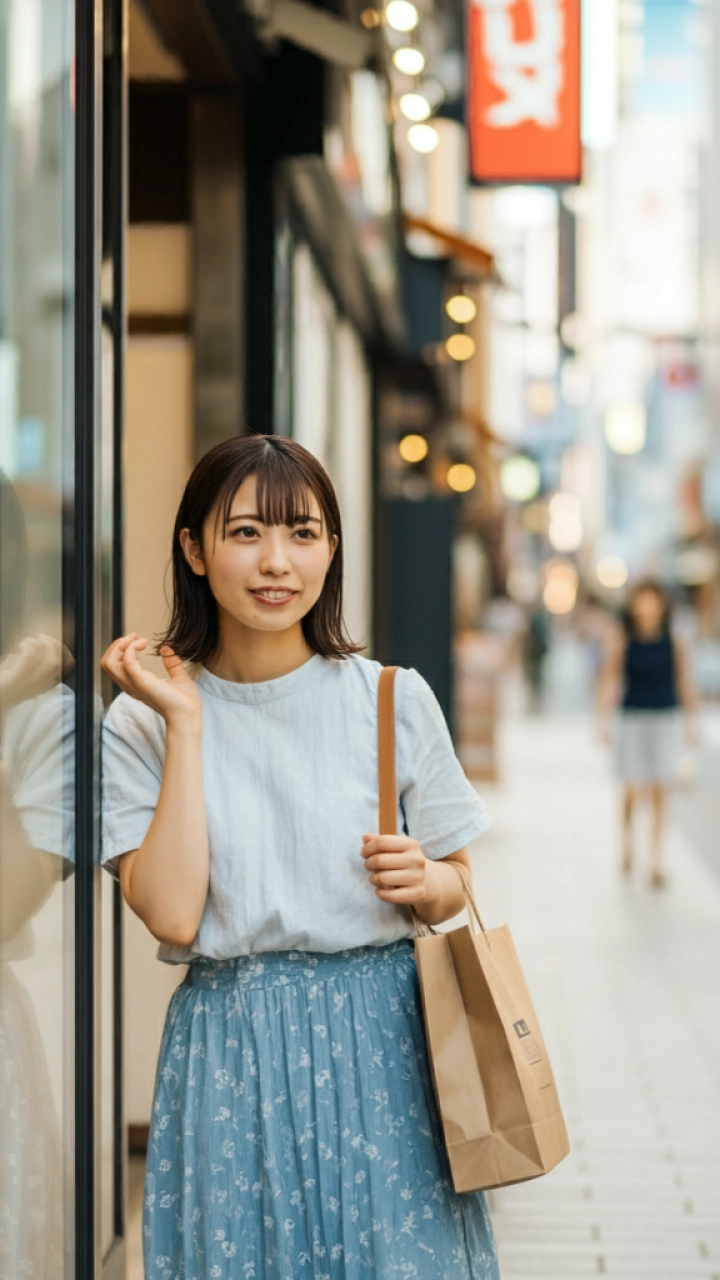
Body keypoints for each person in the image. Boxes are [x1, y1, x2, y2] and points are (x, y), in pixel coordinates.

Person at [100, 435, 499, 1279]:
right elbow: (171, 913)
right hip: (229, 1051)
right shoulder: (143, 721)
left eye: (303, 534)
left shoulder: (390, 698)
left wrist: (426, 881)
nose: (276, 562)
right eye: (246, 533)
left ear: (333, 548)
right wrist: (186, 724)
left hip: (385, 1046)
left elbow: (458, 882)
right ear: (194, 551)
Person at [598, 578, 699, 887]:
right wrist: (602, 719)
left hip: (664, 718)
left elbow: (683, 679)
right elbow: (610, 677)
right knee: (629, 789)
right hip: (633, 718)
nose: (647, 606)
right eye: (641, 599)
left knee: (660, 790)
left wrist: (691, 721)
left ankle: (656, 859)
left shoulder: (674, 637)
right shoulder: (622, 636)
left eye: (652, 599)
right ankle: (627, 844)